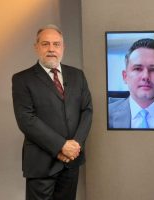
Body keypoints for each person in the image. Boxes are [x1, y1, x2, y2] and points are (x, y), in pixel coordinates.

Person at [12, 24, 93, 200]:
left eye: (56, 44)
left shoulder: (77, 75)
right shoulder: (21, 79)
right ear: (36, 47)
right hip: (41, 163)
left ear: (63, 48)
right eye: (45, 44)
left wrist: (75, 146)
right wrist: (61, 146)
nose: (51, 49)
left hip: (72, 161)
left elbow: (87, 111)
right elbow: (26, 119)